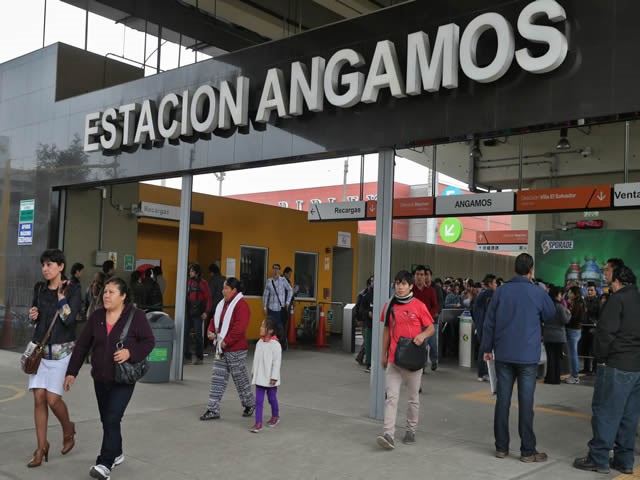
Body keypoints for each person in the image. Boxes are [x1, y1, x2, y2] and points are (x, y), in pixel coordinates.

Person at [64, 277, 155, 480]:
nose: (106, 295)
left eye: (111, 292)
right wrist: (72, 372)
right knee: (108, 420)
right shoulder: (97, 317)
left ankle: (104, 464)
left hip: (123, 379)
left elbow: (149, 342)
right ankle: (117, 452)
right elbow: (82, 346)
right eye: (105, 291)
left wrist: (130, 352)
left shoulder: (136, 316)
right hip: (100, 377)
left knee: (113, 417)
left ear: (123, 296)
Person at [481, 253, 556, 462]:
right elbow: (551, 314)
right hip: (528, 357)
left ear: (514, 269)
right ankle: (527, 451)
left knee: (502, 401)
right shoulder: (537, 292)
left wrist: (487, 348)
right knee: (526, 403)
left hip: (504, 354)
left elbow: (489, 322)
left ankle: (501, 448)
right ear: (531, 270)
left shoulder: (501, 291)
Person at [573, 265, 640, 475]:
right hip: (636, 367)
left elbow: (605, 334)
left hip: (616, 365)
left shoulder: (616, 299)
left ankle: (598, 458)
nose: (605, 274)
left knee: (606, 412)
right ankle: (624, 460)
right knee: (629, 417)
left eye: (608, 272)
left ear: (618, 279)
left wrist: (600, 359)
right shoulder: (637, 298)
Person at [26, 249, 82, 468]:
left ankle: (68, 428)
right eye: (43, 265)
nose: (45, 269)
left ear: (60, 266)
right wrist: (33, 315)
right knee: (38, 398)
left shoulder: (73, 289)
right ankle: (41, 448)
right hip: (40, 352)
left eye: (49, 264)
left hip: (61, 353)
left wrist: (61, 299)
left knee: (53, 399)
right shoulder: (39, 288)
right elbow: (36, 318)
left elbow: (69, 320)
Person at [376, 270, 435, 450]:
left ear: (410, 286)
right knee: (391, 398)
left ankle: (411, 429)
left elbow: (431, 328)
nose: (400, 287)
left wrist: (422, 336)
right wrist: (383, 354)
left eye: (404, 284)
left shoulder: (419, 306)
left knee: (412, 398)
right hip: (394, 359)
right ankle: (388, 434)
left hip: (413, 360)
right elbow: (386, 330)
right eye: (397, 283)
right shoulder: (389, 306)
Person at [200, 277, 256, 420]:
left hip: (235, 349)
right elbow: (214, 320)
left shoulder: (241, 305)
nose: (223, 291)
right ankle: (213, 409)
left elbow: (239, 327)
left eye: (226, 288)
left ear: (234, 291)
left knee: (240, 379)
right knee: (217, 378)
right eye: (223, 288)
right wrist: (210, 332)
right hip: (221, 349)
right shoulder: (222, 304)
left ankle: (250, 403)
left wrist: (226, 341)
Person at [249, 316, 282, 433]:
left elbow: (276, 363)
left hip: (270, 379)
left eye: (263, 326)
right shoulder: (259, 343)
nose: (260, 328)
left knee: (271, 398)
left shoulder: (275, 345)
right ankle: (258, 423)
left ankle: (275, 416)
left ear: (270, 330)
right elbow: (255, 360)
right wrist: (253, 372)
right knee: (258, 401)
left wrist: (274, 377)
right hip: (259, 378)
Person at [412, 265, 439, 371]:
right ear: (414, 276)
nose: (419, 277)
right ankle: (421, 365)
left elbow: (435, 306)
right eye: (417, 274)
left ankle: (434, 360)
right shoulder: (410, 290)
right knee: (420, 344)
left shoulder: (431, 291)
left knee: (432, 343)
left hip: (428, 323)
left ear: (425, 276)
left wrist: (427, 315)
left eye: (422, 274)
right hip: (415, 323)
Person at [185, 264, 212, 365]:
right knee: (185, 334)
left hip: (198, 313)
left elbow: (209, 298)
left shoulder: (203, 283)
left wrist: (206, 312)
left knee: (198, 336)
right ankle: (187, 357)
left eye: (192, 271)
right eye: (190, 271)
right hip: (189, 312)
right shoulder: (189, 282)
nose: (190, 273)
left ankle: (199, 357)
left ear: (197, 272)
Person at [472, 274, 497, 382]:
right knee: (484, 349)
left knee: (483, 349)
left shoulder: (481, 293)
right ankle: (483, 373)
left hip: (480, 324)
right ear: (490, 283)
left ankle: (482, 373)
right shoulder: (489, 294)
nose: (496, 285)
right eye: (495, 283)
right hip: (485, 326)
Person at [262, 263, 292, 350]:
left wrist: (287, 302)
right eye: (274, 268)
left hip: (280, 309)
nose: (275, 270)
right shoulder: (269, 281)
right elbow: (265, 295)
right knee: (271, 328)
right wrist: (264, 307)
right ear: (273, 269)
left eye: (277, 269)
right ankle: (271, 345)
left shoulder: (283, 280)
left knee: (280, 328)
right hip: (271, 309)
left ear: (279, 270)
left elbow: (290, 290)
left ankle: (282, 344)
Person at [544, 286, 570, 385]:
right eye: (560, 294)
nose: (562, 296)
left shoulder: (546, 306)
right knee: (557, 359)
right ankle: (556, 379)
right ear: (557, 295)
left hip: (547, 335)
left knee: (550, 358)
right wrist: (569, 313)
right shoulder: (560, 307)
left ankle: (549, 378)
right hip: (558, 336)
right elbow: (565, 320)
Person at [564, 285, 586, 384]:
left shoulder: (578, 304)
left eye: (570, 292)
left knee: (573, 354)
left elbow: (575, 318)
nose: (568, 294)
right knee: (572, 353)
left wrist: (568, 311)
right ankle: (573, 374)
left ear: (574, 294)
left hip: (574, 330)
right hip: (573, 330)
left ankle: (575, 376)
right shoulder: (575, 303)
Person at [355, 275, 374, 372]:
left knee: (367, 342)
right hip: (367, 323)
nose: (373, 283)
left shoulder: (382, 294)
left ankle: (361, 357)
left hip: (377, 325)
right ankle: (368, 362)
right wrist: (366, 314)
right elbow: (360, 308)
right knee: (368, 342)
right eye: (372, 281)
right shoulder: (365, 295)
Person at [581, 282, 600, 374]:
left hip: (594, 329)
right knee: (585, 349)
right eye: (588, 290)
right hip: (584, 328)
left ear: (596, 291)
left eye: (591, 290)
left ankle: (595, 369)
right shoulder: (584, 301)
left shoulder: (598, 302)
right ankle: (586, 368)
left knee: (594, 350)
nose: (589, 292)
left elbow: (600, 316)